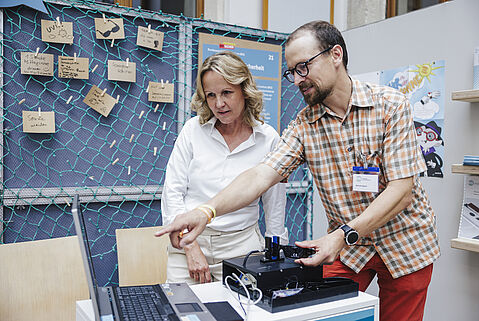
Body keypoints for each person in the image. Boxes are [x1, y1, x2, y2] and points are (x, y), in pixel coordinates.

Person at [156, 20, 440, 321]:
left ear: (335, 55)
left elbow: (401, 189)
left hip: (404, 244)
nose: (297, 79)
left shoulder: (390, 106)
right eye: (292, 71)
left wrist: (343, 235)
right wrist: (206, 211)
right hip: (348, 248)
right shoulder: (304, 125)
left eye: (303, 66)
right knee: (320, 314)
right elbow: (261, 175)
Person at [160, 51, 288, 284]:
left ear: (244, 90)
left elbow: (275, 204)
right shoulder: (193, 131)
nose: (219, 104)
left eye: (227, 92)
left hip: (242, 249)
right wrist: (190, 246)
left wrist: (276, 254)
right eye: (211, 95)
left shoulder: (268, 138)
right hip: (189, 244)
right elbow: (173, 191)